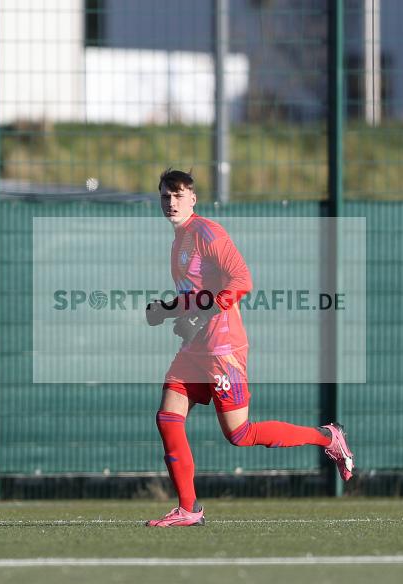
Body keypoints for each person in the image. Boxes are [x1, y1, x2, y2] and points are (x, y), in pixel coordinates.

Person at [144, 169, 353, 527]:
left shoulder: (207, 233)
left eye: (179, 195)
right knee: (168, 417)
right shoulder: (178, 241)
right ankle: (189, 509)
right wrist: (167, 311)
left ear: (193, 199)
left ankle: (327, 438)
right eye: (166, 195)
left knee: (240, 434)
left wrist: (196, 315)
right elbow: (196, 297)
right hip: (196, 349)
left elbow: (242, 280)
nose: (171, 202)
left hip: (222, 348)